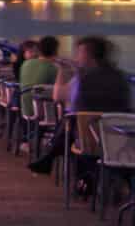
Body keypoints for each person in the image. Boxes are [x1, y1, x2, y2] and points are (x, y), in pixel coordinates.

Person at [30, 34, 129, 178]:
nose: (76, 58)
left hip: (88, 140)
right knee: (70, 121)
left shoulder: (83, 79)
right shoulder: (120, 77)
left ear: (89, 56)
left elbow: (58, 98)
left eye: (79, 54)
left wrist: (63, 71)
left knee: (69, 120)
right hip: (119, 140)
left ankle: (50, 157)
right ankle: (49, 157)